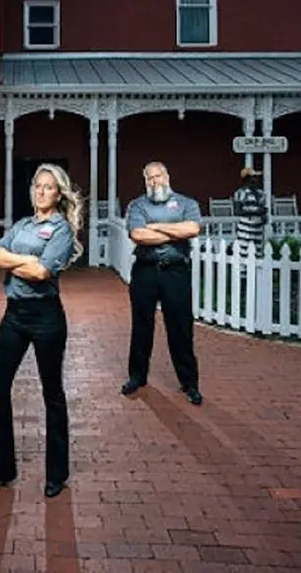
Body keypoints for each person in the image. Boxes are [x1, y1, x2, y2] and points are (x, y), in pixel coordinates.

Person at [0, 163, 84, 498]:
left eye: (48, 187)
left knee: (52, 394)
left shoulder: (61, 229)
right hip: (14, 316)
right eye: (37, 185)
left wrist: (15, 259)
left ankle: (56, 474)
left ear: (58, 193)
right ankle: (0, 468)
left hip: (46, 318)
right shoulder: (21, 224)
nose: (41, 191)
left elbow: (42, 273)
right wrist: (26, 261)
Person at [121, 161, 204, 406]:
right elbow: (137, 235)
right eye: (149, 178)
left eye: (158, 176)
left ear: (167, 176)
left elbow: (192, 228)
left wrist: (155, 227)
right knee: (141, 326)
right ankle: (137, 377)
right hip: (145, 271)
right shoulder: (137, 205)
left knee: (180, 327)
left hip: (176, 271)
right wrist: (173, 231)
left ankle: (190, 383)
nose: (154, 181)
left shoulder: (187, 203)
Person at [231, 167, 268, 258]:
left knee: (258, 255)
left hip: (258, 229)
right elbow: (237, 211)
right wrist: (255, 211)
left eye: (257, 177)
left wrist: (263, 216)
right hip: (245, 229)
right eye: (254, 177)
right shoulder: (240, 193)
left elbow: (264, 210)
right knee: (244, 255)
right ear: (247, 179)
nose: (257, 179)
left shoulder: (261, 194)